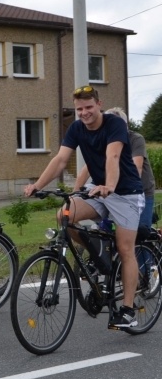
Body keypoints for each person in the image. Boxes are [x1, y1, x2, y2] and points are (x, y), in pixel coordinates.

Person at [24, 86, 144, 330]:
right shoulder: (77, 128)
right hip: (97, 191)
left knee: (124, 248)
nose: (84, 113)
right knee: (65, 216)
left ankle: (128, 310)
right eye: (79, 109)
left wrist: (109, 185)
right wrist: (37, 185)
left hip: (125, 192)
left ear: (99, 104)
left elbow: (112, 157)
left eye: (89, 107)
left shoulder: (114, 125)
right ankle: (97, 248)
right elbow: (60, 159)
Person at [74, 107, 155, 229]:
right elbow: (86, 170)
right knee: (102, 230)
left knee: (140, 231)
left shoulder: (135, 139)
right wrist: (74, 195)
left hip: (139, 191)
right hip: (109, 191)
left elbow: (136, 168)